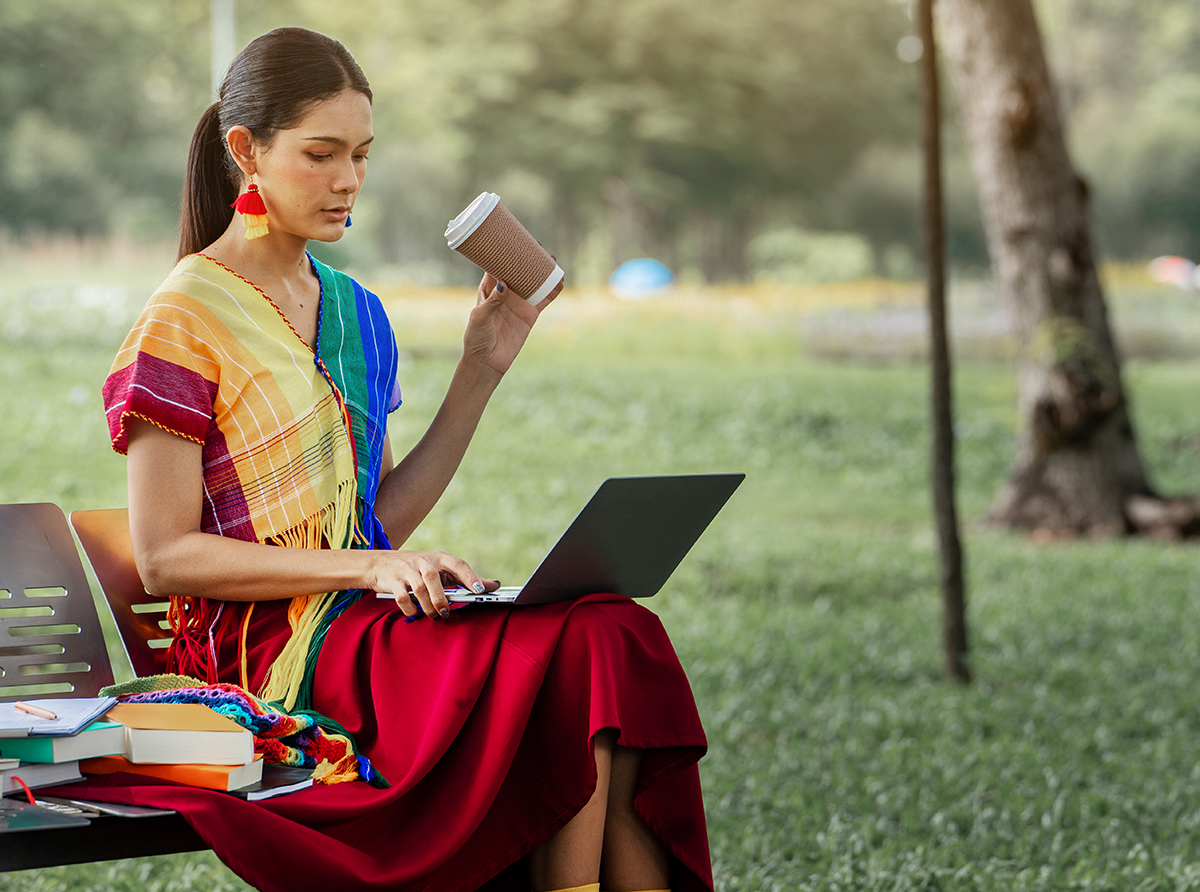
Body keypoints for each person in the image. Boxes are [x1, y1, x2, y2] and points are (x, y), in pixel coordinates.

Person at [93, 26, 712, 892]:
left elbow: (378, 515)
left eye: (362, 155)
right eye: (321, 154)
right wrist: (373, 567)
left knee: (614, 631)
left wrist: (480, 368)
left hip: (360, 623)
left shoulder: (355, 312)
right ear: (247, 153)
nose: (348, 180)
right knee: (572, 654)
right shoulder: (181, 319)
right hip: (271, 655)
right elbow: (164, 557)